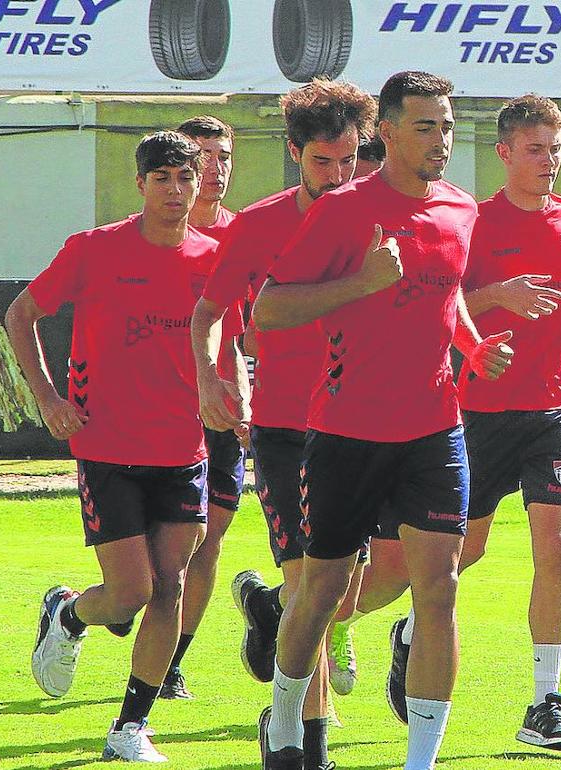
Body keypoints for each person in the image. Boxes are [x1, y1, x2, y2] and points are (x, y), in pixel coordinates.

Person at [251, 70, 513, 770]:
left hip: (435, 428)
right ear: (386, 132)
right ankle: (281, 725)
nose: (440, 140)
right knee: (323, 593)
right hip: (345, 432)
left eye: (448, 126)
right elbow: (269, 309)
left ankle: (420, 761)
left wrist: (472, 345)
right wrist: (362, 283)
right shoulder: (343, 211)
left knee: (441, 586)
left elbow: (448, 290)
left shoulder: (461, 208)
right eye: (424, 126)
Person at [344, 93, 561, 753]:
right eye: (536, 149)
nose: (550, 162)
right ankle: (396, 628)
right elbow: (443, 297)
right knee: (459, 556)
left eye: (556, 149)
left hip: (553, 409)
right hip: (477, 411)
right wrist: (498, 297)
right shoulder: (469, 220)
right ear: (505, 153)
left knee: (557, 546)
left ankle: (546, 702)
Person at [5, 131, 217, 763]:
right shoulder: (94, 250)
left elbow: (230, 334)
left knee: (170, 585)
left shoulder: (215, 256)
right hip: (108, 448)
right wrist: (47, 398)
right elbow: (21, 315)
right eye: (163, 179)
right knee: (131, 592)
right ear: (141, 185)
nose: (176, 191)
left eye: (186, 178)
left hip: (184, 451)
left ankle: (130, 725)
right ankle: (69, 615)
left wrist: (231, 388)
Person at [191, 78, 377, 770]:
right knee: (315, 590)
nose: (337, 177)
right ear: (296, 154)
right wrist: (214, 378)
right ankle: (306, 745)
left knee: (346, 592)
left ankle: (270, 612)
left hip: (362, 427)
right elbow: (209, 314)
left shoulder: (378, 218)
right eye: (322, 163)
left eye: (349, 161)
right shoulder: (259, 224)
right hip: (282, 428)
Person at [160, 115, 251, 700]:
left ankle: (172, 663)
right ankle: (75, 611)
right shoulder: (151, 233)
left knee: (210, 535)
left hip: (218, 404)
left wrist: (242, 392)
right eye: (204, 158)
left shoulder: (245, 233)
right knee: (149, 565)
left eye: (225, 157)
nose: (215, 169)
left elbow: (242, 329)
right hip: (159, 410)